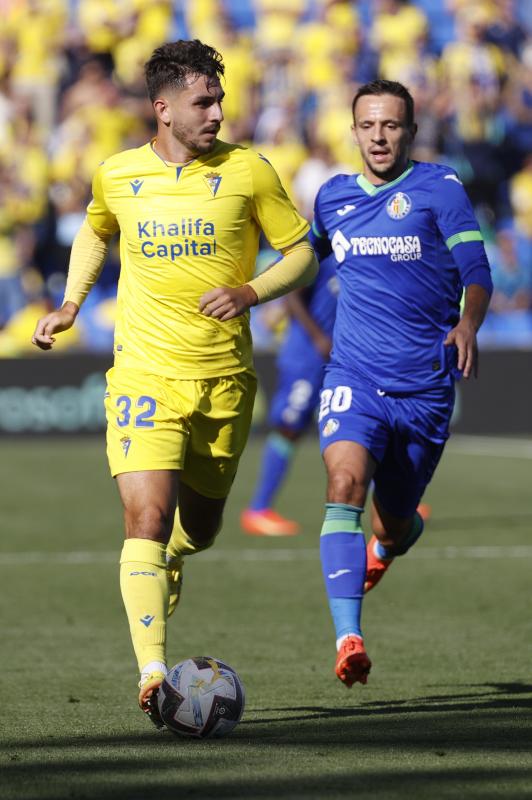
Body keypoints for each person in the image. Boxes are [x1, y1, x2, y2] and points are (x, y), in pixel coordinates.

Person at [31, 39, 318, 727]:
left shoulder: (250, 171)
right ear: (163, 109)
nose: (218, 111)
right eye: (204, 101)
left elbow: (303, 253)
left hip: (223, 381)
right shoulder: (118, 175)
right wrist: (72, 302)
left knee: (201, 528)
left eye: (219, 99)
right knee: (145, 520)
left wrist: (251, 292)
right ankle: (154, 674)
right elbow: (97, 231)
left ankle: (175, 559)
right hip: (144, 374)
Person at [310, 79, 492, 688]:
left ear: (410, 131)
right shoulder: (332, 198)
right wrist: (251, 291)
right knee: (343, 483)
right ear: (354, 130)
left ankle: (390, 544)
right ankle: (348, 638)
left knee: (392, 523)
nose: (380, 136)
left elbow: (476, 269)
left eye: (391, 125)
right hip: (354, 375)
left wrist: (468, 322)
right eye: (368, 125)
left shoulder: (439, 189)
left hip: (424, 389)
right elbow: (302, 258)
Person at [241, 253, 338, 536]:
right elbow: (293, 295)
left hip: (337, 356)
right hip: (306, 359)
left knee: (353, 428)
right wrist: (319, 337)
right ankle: (258, 509)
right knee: (288, 430)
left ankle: (394, 505)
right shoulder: (323, 245)